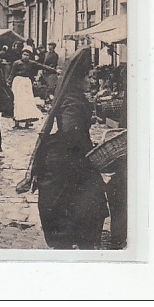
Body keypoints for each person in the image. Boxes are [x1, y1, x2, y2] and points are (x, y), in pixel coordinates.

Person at [24, 47, 109, 249]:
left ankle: (73, 240)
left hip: (66, 154)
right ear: (78, 79)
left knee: (73, 203)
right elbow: (72, 130)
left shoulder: (73, 95)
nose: (91, 81)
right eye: (88, 77)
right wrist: (89, 148)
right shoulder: (73, 99)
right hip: (69, 158)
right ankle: (78, 243)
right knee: (85, 201)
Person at [8, 47, 60, 128]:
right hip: (18, 83)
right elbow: (12, 74)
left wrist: (54, 70)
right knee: (18, 101)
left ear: (30, 56)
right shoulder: (16, 63)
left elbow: (42, 66)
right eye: (24, 54)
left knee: (28, 101)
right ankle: (16, 122)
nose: (26, 56)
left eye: (28, 55)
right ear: (21, 55)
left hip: (26, 83)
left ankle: (28, 121)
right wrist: (9, 83)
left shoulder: (31, 63)